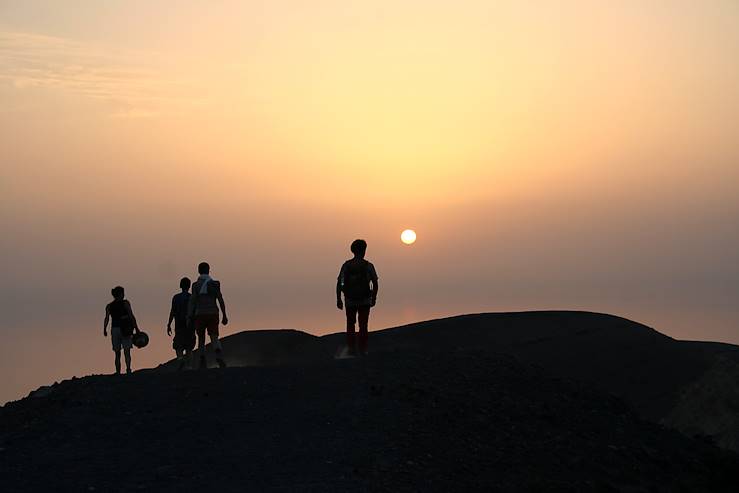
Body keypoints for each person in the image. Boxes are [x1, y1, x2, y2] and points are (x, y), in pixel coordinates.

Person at [336, 239, 379, 356]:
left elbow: (340, 283)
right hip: (365, 300)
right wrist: (374, 298)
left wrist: (339, 298)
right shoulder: (368, 266)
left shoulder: (346, 265)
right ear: (364, 250)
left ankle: (351, 349)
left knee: (350, 325)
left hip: (350, 300)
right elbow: (375, 283)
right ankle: (363, 349)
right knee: (363, 325)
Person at [188, 262, 228, 369]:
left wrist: (189, 315)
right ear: (209, 270)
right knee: (214, 337)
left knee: (201, 338)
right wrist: (224, 314)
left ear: (198, 271)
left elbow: (192, 301)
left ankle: (202, 360)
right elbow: (220, 299)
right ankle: (218, 353)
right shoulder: (215, 284)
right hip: (213, 313)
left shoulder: (195, 285)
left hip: (200, 314)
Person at [103, 286, 140, 374]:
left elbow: (107, 318)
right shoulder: (126, 303)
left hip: (115, 329)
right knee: (127, 351)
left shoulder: (109, 306)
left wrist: (104, 328)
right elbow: (131, 316)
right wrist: (136, 328)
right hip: (125, 329)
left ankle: (118, 371)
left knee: (117, 352)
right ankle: (128, 369)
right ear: (120, 294)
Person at [167, 277, 195, 370]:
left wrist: (169, 324)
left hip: (178, 325)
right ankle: (189, 366)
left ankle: (180, 359)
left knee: (178, 345)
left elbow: (172, 311)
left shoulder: (176, 297)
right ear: (189, 286)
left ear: (180, 286)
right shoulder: (192, 297)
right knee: (189, 347)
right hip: (190, 324)